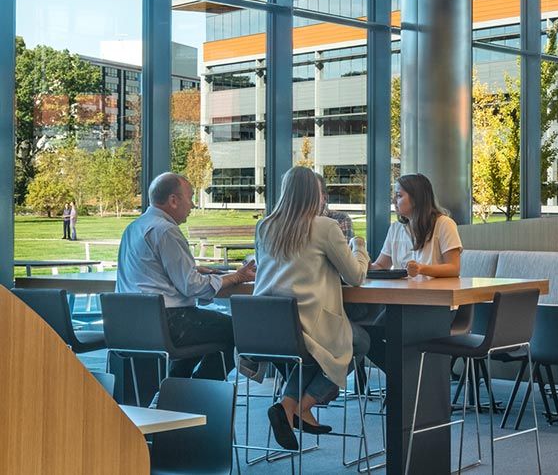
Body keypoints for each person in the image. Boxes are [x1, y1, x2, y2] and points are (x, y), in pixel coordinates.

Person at [253, 166, 370, 450]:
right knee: (361, 341)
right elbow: (355, 277)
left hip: (264, 328)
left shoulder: (264, 225)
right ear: (314, 195)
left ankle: (290, 406)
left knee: (311, 353)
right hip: (307, 324)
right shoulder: (325, 227)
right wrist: (360, 246)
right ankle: (302, 404)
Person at [116, 172, 255, 380]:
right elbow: (193, 287)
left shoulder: (134, 227)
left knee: (202, 334)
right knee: (236, 329)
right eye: (190, 197)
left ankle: (177, 387)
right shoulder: (165, 230)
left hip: (131, 323)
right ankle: (199, 392)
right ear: (173, 200)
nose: (192, 205)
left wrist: (192, 269)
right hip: (169, 321)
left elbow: (148, 270)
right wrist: (237, 277)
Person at [372, 174, 462, 278]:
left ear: (416, 199)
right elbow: (381, 265)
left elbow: (454, 268)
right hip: (403, 293)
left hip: (434, 293)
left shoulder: (444, 224)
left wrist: (421, 269)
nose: (393, 201)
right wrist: (361, 263)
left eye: (399, 195)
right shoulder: (395, 228)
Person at [315, 173, 353, 240]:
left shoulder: (341, 219)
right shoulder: (296, 221)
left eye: (314, 192)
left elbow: (345, 250)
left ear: (324, 197)